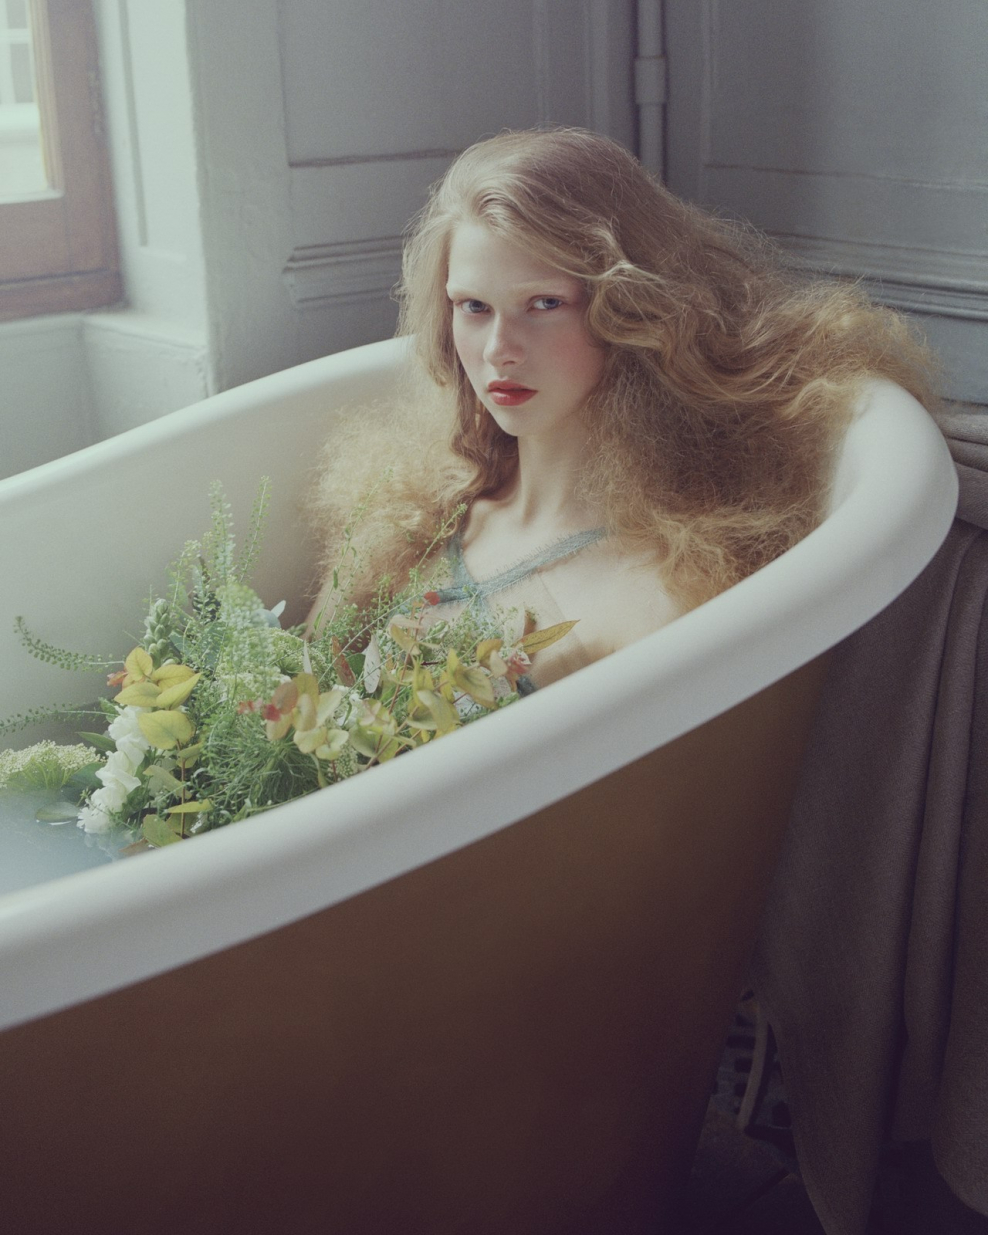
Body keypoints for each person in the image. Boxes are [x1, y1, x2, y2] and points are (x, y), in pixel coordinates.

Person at [307, 127, 936, 687]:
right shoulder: (410, 515)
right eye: (474, 307)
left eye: (544, 304)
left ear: (629, 311)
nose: (499, 350)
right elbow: (295, 691)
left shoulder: (654, 593)